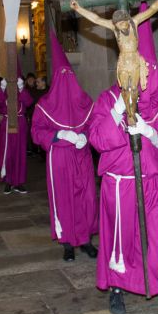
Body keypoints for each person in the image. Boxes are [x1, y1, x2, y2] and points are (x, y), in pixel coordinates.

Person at [88, 1, 158, 314]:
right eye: (132, 67)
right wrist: (119, 115)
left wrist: (149, 133)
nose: (138, 74)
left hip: (153, 185)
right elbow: (97, 139)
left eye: (144, 68)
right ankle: (117, 288)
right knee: (123, 239)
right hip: (119, 184)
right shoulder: (106, 100)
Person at [31, 29, 98, 262]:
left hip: (82, 155)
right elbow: (36, 131)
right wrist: (59, 135)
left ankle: (86, 239)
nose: (67, 80)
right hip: (59, 157)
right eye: (63, 76)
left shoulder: (84, 99)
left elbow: (95, 123)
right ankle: (68, 242)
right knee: (64, 199)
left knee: (87, 197)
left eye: (70, 74)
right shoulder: (44, 104)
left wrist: (86, 137)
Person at [0, 68, 33, 194]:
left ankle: (19, 182)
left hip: (20, 125)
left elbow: (29, 102)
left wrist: (22, 89)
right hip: (6, 126)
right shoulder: (4, 93)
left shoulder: (21, 93)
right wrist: (2, 88)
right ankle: (8, 181)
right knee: (8, 153)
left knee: (20, 153)